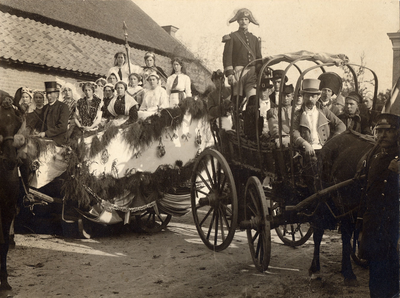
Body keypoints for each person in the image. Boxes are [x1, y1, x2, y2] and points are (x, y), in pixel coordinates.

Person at [357, 113, 400, 298]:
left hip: (394, 227)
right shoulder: (374, 158)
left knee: (393, 274)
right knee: (376, 276)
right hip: (375, 226)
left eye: (388, 131)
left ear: (397, 133)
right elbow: (367, 194)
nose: (382, 135)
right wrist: (361, 227)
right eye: (379, 131)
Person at [293, 78, 345, 191]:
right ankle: (316, 192)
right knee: (314, 166)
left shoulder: (324, 111)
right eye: (307, 96)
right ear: (303, 97)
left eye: (313, 96)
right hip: (307, 150)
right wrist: (304, 143)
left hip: (325, 147)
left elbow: (341, 125)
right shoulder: (298, 114)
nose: (310, 99)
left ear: (317, 97)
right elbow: (294, 132)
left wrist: (332, 141)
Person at [222, 8, 262, 108]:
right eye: (241, 19)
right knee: (236, 101)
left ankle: (250, 122)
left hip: (252, 73)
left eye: (246, 19)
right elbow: (227, 56)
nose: (243, 22)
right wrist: (230, 74)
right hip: (238, 73)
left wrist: (259, 72)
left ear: (249, 21)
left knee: (253, 100)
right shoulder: (233, 37)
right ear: (238, 21)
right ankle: (235, 123)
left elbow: (259, 58)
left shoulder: (254, 39)